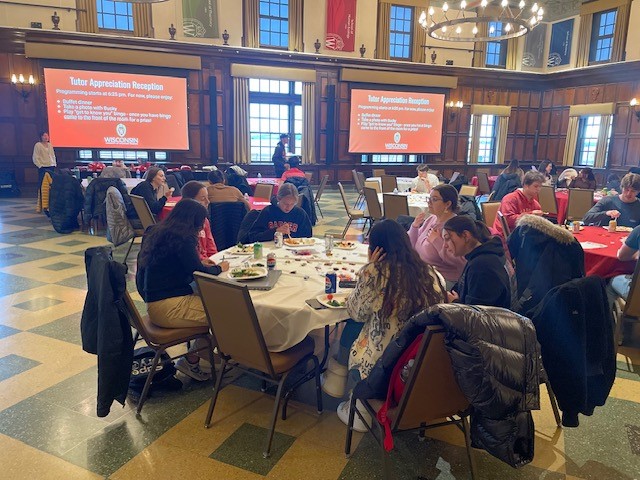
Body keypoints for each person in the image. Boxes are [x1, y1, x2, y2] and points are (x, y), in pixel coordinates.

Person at [336, 219, 446, 430]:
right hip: (419, 362)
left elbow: (356, 312)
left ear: (375, 249)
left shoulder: (376, 274)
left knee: (355, 330)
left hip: (382, 365)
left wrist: (369, 268)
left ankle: (360, 402)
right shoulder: (431, 274)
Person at [136, 199, 229, 381]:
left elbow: (176, 264)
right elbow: (198, 272)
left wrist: (198, 262)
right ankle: (195, 358)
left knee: (218, 306)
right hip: (168, 307)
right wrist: (220, 268)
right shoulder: (184, 238)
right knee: (224, 313)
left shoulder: (160, 231)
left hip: (155, 301)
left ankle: (200, 356)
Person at [442, 216, 512, 308]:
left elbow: (478, 316)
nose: (445, 246)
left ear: (465, 236)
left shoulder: (482, 266)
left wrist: (455, 302)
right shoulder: (479, 256)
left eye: (447, 238)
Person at [408, 184, 466, 287]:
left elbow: (461, 261)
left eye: (434, 199)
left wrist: (437, 242)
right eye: (429, 198)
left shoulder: (456, 226)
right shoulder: (432, 219)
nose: (429, 202)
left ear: (447, 204)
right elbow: (412, 245)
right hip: (425, 274)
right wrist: (414, 227)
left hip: (445, 280)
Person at [248, 183, 312, 242]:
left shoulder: (300, 214)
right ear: (278, 198)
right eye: (285, 204)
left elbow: (308, 238)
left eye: (292, 204)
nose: (288, 207)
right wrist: (275, 231)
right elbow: (253, 237)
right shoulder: (268, 212)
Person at [493, 171, 545, 237]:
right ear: (526, 185)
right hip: (504, 236)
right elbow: (508, 221)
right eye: (536, 186)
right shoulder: (510, 199)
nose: (538, 189)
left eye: (540, 186)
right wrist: (531, 215)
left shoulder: (536, 205)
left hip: (523, 236)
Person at [181, 181, 218, 261]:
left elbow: (211, 247)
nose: (208, 202)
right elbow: (192, 257)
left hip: (208, 263)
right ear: (190, 201)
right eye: (202, 199)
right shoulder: (182, 225)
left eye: (208, 197)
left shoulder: (205, 221)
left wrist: (216, 260)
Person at [612, 224, 640, 299]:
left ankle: (605, 311)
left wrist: (636, 255)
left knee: (610, 281)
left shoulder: (638, 230)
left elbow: (622, 256)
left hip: (636, 294)